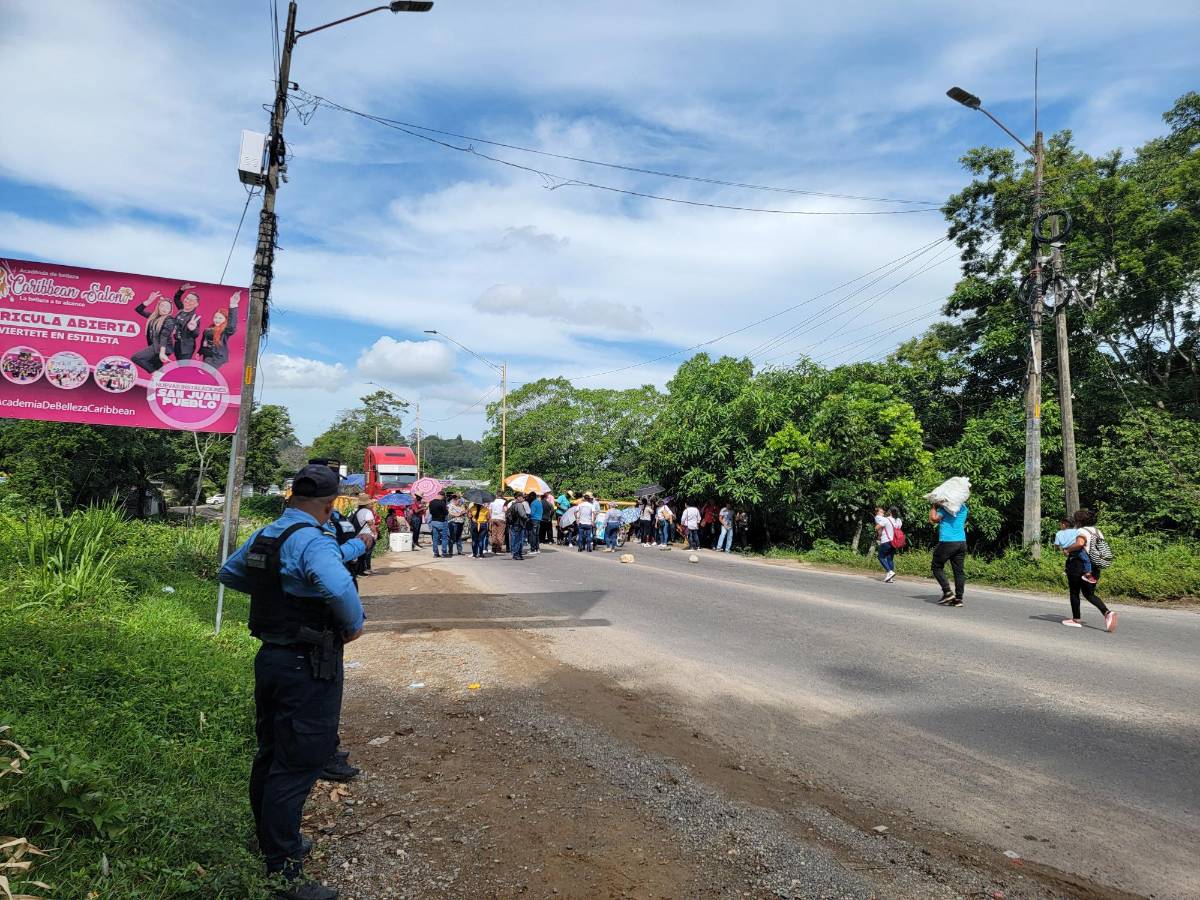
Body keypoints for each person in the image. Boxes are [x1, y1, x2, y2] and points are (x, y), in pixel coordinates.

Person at [218, 464, 370, 900]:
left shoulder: (268, 534)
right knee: (300, 759)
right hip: (309, 663)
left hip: (271, 658)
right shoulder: (313, 540)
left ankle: (269, 842)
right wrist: (354, 624)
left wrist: (278, 592)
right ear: (328, 505)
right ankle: (283, 872)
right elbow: (339, 589)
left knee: (270, 752)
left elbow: (230, 572)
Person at [1060, 508, 1118, 631]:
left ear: (1079, 520)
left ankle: (1076, 619)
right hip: (1094, 566)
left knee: (1074, 592)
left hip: (1079, 565)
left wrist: (1067, 550)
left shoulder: (1081, 530)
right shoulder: (1097, 531)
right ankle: (1107, 613)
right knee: (1089, 594)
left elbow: (1080, 544)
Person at [929, 500, 968, 606]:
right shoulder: (964, 508)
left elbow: (934, 519)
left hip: (947, 542)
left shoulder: (946, 509)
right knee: (959, 571)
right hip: (961, 542)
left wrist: (933, 507)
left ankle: (947, 592)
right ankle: (958, 599)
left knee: (936, 567)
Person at [132, 292, 179, 373]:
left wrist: (162, 353)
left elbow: (164, 336)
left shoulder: (169, 320)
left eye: (167, 307)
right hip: (156, 346)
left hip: (162, 347)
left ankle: (156, 373)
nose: (164, 309)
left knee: (136, 357)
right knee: (159, 369)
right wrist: (149, 301)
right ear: (158, 307)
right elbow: (138, 310)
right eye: (162, 306)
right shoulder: (153, 317)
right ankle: (160, 377)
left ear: (170, 310)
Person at [199, 292, 240, 368]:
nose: (217, 320)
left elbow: (232, 326)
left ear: (225, 320)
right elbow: (203, 342)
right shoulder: (209, 329)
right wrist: (200, 352)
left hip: (216, 360)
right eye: (215, 317)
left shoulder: (225, 331)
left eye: (220, 318)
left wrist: (233, 305)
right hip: (206, 357)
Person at [1053, 517, 1096, 584]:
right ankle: (1088, 574)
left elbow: (1056, 545)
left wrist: (1061, 550)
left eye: (1060, 524)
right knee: (1086, 560)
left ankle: (1067, 570)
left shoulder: (1058, 533)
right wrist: (1085, 539)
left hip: (1067, 549)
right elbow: (1082, 538)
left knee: (1069, 559)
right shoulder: (1076, 531)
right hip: (1076, 549)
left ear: (1064, 525)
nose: (1060, 526)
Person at [172, 283, 204, 360]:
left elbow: (196, 334)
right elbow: (176, 298)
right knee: (178, 365)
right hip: (177, 344)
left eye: (191, 300)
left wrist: (192, 329)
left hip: (186, 348)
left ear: (196, 304)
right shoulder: (182, 309)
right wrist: (181, 290)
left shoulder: (194, 317)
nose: (188, 301)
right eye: (187, 298)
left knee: (183, 368)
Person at [874, 505, 903, 583]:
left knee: (881, 557)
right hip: (894, 542)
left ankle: (889, 572)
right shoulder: (899, 521)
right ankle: (890, 578)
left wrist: (879, 527)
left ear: (890, 512)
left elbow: (877, 527)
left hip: (886, 541)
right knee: (890, 559)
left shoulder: (886, 520)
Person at [508, 493, 531, 560]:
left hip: (514, 524)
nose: (523, 498)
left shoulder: (513, 504)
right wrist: (527, 519)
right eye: (522, 497)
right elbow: (522, 515)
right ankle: (517, 554)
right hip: (519, 524)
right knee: (519, 540)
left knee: (515, 539)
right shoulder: (519, 505)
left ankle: (516, 553)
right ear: (518, 497)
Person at [427, 493, 450, 558]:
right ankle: (444, 553)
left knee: (435, 538)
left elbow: (431, 512)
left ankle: (435, 553)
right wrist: (447, 509)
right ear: (441, 496)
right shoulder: (442, 503)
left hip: (434, 521)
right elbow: (446, 513)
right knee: (444, 538)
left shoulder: (431, 502)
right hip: (442, 522)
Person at [447, 493, 467, 557]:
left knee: (459, 537)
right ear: (453, 499)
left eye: (459, 499)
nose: (458, 501)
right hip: (453, 522)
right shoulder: (450, 506)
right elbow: (451, 514)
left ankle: (460, 551)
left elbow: (464, 511)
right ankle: (450, 551)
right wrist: (459, 514)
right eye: (457, 499)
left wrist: (461, 513)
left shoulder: (460, 506)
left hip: (460, 522)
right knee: (452, 537)